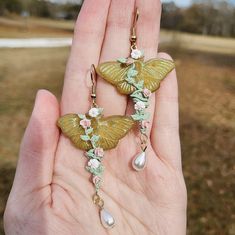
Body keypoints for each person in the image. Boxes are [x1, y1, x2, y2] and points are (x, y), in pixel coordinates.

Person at [3, 0, 187, 234]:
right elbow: (103, 75)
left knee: (131, 125)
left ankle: (131, 154)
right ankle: (103, 193)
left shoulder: (137, 73)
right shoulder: (95, 105)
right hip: (97, 144)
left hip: (121, 114)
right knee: (99, 160)